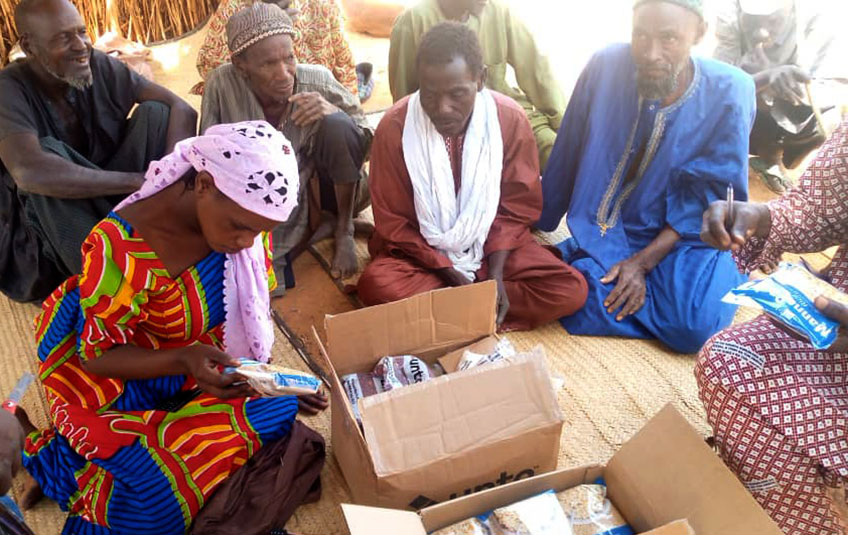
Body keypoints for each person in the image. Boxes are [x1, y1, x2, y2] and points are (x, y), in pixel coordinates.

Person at [19, 121, 328, 534]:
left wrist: (269, 380)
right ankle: (41, 450)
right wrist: (184, 358)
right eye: (240, 226)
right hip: (129, 379)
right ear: (203, 183)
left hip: (200, 367)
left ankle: (131, 451)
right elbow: (97, 356)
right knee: (155, 506)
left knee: (282, 408)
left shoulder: (244, 226)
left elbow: (247, 315)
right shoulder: (120, 249)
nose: (246, 241)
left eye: (259, 231)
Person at [537, 0, 756, 354]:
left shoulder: (732, 91)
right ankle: (599, 275)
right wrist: (536, 217)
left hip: (690, 235)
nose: (651, 52)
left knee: (693, 328)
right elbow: (569, 146)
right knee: (553, 280)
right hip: (615, 228)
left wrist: (641, 264)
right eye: (641, 35)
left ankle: (602, 277)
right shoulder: (606, 65)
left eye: (669, 38)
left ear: (698, 34)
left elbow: (714, 197)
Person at [358, 22, 587, 331]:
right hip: (421, 256)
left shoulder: (509, 119)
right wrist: (450, 274)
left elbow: (516, 209)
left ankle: (449, 312)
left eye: (457, 94)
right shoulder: (394, 128)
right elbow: (395, 224)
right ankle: (473, 310)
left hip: (492, 251)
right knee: (377, 285)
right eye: (430, 95)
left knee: (569, 288)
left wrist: (493, 276)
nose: (443, 108)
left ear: (480, 79)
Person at [697, 121, 848, 535]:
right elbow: (818, 208)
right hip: (838, 330)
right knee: (729, 362)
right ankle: (808, 521)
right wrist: (758, 216)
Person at [0, 0, 197, 304]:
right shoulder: (8, 89)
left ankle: (152, 240)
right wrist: (137, 181)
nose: (81, 46)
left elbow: (180, 107)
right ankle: (110, 291)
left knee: (157, 114)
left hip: (111, 203)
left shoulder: (95, 62)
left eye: (81, 32)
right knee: (44, 163)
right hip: (52, 233)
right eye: (64, 38)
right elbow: (28, 172)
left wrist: (165, 180)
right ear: (30, 46)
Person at [202, 3, 372, 282]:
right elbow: (207, 153)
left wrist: (334, 111)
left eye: (289, 58)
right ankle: (316, 226)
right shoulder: (221, 84)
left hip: (323, 186)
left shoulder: (318, 81)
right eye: (269, 64)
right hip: (250, 192)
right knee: (229, 264)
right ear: (241, 66)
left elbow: (367, 142)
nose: (284, 74)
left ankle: (343, 229)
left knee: (339, 125)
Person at [388, 0, 564, 170]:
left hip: (504, 120)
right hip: (443, 128)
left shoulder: (500, 12)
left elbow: (538, 71)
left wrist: (563, 127)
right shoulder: (412, 22)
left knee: (560, 156)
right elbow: (404, 103)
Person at [714, 0, 847, 193]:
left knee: (832, 119)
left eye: (773, 21)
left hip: (798, 118)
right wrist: (762, 78)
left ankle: (786, 162)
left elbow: (835, 88)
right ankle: (753, 157)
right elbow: (718, 86)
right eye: (752, 21)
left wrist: (787, 84)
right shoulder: (730, 12)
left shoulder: (821, 18)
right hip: (749, 111)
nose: (761, 32)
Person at [193, 0, 358, 97]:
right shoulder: (234, 9)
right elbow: (211, 68)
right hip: (256, 107)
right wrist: (265, 28)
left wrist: (344, 109)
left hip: (312, 103)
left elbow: (344, 65)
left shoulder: (322, 5)